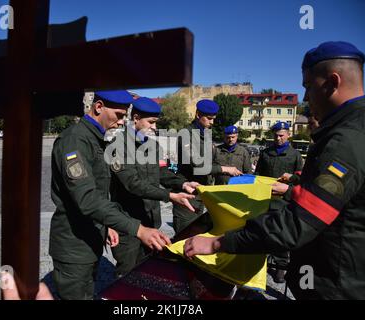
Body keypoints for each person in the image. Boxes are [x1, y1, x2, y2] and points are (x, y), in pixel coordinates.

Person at [184, 41, 365, 299]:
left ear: (333, 82)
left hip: (340, 284)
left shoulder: (349, 140)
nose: (305, 98)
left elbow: (298, 224)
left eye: (308, 86)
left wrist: (218, 242)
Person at [48, 90, 171, 300]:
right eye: (119, 115)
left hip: (90, 237)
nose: (123, 122)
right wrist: (138, 229)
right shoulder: (75, 141)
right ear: (98, 107)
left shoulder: (96, 140)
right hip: (74, 244)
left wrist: (108, 225)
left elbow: (102, 191)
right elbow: (87, 199)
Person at [110, 97, 199, 277]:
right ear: (135, 118)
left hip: (151, 220)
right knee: (127, 274)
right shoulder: (117, 147)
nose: (154, 128)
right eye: (151, 122)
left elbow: (162, 173)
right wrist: (170, 196)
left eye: (156, 123)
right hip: (127, 224)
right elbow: (133, 184)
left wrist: (182, 183)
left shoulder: (153, 146)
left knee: (146, 271)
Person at [173, 99, 241, 234]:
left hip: (201, 193)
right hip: (187, 193)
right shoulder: (186, 134)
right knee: (184, 235)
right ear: (198, 115)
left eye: (214, 119)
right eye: (209, 118)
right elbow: (197, 164)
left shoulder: (206, 134)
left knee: (196, 236)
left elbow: (210, 162)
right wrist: (225, 169)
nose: (212, 122)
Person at [254, 121, 303, 282]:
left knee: (281, 233)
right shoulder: (266, 153)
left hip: (284, 201)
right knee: (262, 231)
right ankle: (260, 265)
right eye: (276, 135)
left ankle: (281, 266)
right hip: (265, 199)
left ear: (288, 135)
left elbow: (299, 179)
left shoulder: (295, 154)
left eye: (282, 135)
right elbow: (258, 174)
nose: (278, 138)